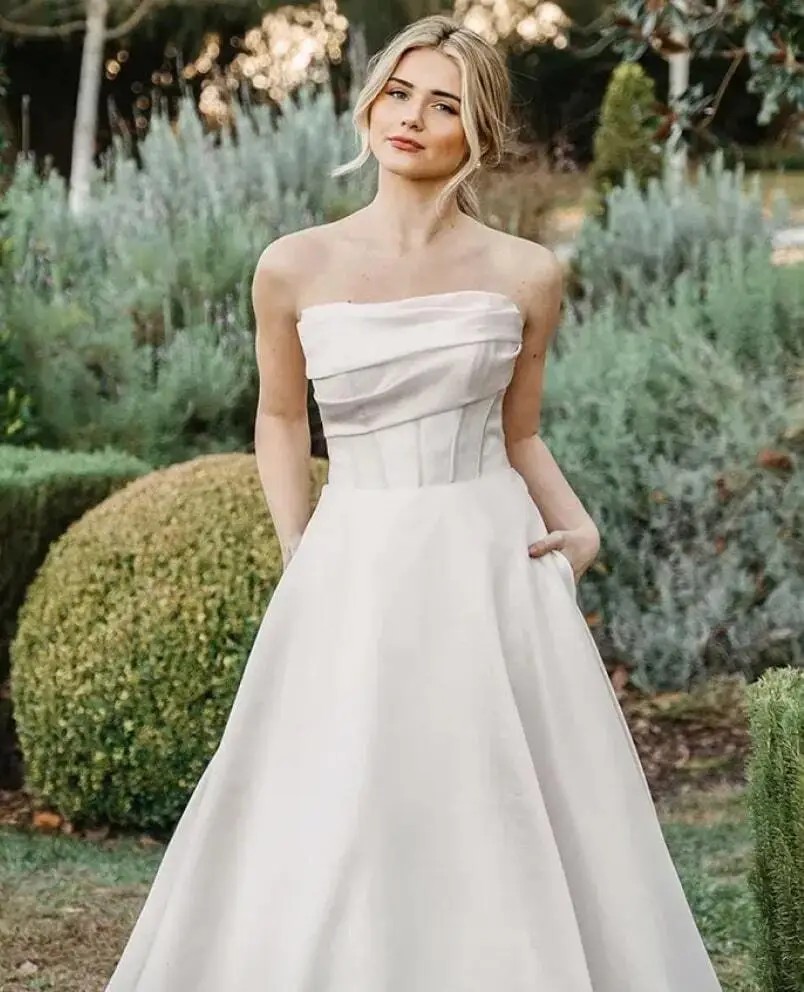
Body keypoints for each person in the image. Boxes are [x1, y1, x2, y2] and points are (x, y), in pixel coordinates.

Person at [104, 14, 725, 992]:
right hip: (354, 553)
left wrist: (584, 526)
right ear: (369, 103)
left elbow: (519, 432)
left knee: (496, 800)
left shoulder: (527, 272)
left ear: (477, 133)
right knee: (343, 793)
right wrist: (301, 544)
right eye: (399, 92)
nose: (413, 117)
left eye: (444, 104)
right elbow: (277, 417)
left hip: (490, 561)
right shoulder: (292, 264)